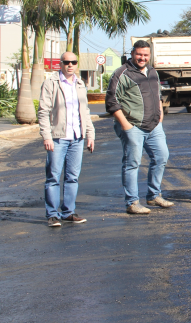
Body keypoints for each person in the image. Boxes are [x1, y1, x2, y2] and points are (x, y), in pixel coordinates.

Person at [105, 40, 173, 215]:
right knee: (132, 163)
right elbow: (111, 102)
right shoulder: (122, 74)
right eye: (139, 54)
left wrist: (160, 113)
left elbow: (158, 93)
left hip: (154, 125)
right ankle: (132, 202)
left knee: (161, 156)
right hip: (133, 126)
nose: (142, 58)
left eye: (146, 55)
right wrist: (126, 125)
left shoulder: (152, 72)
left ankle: (154, 195)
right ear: (132, 54)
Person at [38, 52, 95, 227]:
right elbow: (43, 111)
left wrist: (90, 135)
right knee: (53, 177)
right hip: (58, 138)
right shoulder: (51, 83)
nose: (70, 65)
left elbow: (85, 112)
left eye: (73, 62)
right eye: (66, 62)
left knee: (72, 177)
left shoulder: (79, 84)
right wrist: (46, 136)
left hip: (76, 138)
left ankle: (68, 212)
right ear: (60, 64)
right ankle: (53, 215)